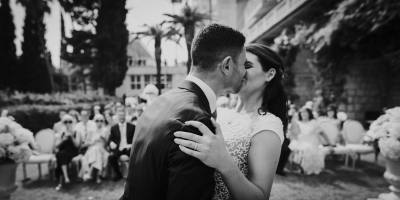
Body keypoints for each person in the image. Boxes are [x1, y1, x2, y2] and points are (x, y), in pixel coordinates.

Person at [121, 23, 247, 200]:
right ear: (227, 66)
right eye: (243, 64)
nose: (245, 72)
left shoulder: (159, 101)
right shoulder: (197, 122)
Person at [174, 43, 287, 199]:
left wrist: (223, 162)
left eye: (246, 65)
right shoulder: (220, 113)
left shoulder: (266, 126)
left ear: (269, 74)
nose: (237, 71)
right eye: (235, 65)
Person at [289, 108, 329, 175]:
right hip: (299, 141)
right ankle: (298, 167)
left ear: (309, 113)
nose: (303, 114)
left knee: (308, 149)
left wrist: (328, 143)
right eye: (302, 112)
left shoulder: (313, 122)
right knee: (297, 149)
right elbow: (293, 134)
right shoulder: (297, 122)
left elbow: (322, 133)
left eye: (305, 112)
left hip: (311, 142)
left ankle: (305, 168)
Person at [80, 114, 109, 183]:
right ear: (94, 121)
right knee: (96, 150)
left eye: (101, 120)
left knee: (97, 150)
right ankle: (98, 176)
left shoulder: (105, 130)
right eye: (97, 120)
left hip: (102, 149)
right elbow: (85, 144)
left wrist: (103, 138)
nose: (99, 122)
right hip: (91, 149)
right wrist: (93, 142)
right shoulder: (91, 131)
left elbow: (107, 144)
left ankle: (90, 172)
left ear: (103, 121)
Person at [108, 107, 135, 181]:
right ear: (117, 117)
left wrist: (132, 145)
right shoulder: (114, 128)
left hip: (129, 147)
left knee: (136, 156)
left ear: (125, 115)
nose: (122, 117)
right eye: (120, 116)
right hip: (119, 148)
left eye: (123, 115)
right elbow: (110, 139)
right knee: (111, 157)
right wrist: (111, 142)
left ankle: (135, 174)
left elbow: (136, 139)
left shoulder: (132, 127)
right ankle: (118, 174)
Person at [54, 114, 80, 190]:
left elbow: (77, 146)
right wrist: (63, 140)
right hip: (63, 152)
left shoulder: (76, 132)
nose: (68, 123)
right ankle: (66, 177)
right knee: (61, 155)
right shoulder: (61, 133)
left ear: (73, 122)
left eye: (70, 121)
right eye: (66, 122)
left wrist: (71, 136)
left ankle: (61, 181)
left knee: (61, 156)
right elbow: (56, 146)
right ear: (63, 123)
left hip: (72, 152)